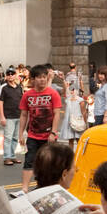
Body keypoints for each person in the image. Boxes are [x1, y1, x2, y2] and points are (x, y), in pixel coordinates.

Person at [18, 64, 63, 194]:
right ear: (33, 79)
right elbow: (24, 115)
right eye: (39, 77)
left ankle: (47, 187)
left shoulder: (52, 93)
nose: (42, 80)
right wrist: (21, 134)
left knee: (47, 163)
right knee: (29, 161)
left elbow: (57, 114)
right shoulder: (27, 95)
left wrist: (53, 133)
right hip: (32, 135)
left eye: (44, 77)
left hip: (48, 135)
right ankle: (24, 189)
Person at [0, 68, 23, 166]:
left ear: (16, 75)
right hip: (8, 116)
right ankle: (7, 157)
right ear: (6, 76)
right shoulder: (4, 87)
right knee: (8, 138)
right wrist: (2, 116)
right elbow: (0, 101)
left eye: (12, 74)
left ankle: (12, 155)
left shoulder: (19, 87)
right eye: (8, 74)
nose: (10, 75)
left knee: (15, 137)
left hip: (18, 115)